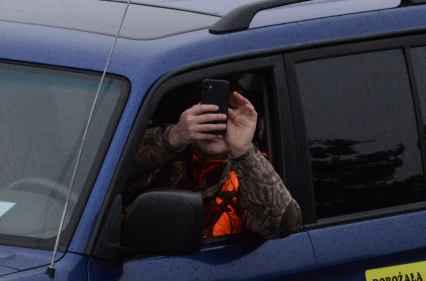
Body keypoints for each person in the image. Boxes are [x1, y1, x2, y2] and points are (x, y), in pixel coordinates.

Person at [125, 88, 302, 239]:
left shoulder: (249, 171)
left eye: (228, 117)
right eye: (207, 115)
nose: (217, 125)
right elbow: (114, 177)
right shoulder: (162, 157)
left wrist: (243, 152)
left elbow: (283, 226)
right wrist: (172, 138)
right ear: (188, 116)